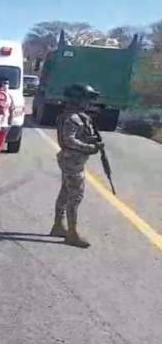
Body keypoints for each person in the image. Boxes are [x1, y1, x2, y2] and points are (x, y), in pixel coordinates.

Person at [51, 83, 102, 248]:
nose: (89, 103)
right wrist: (89, 147)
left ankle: (58, 226)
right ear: (77, 100)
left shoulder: (79, 116)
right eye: (86, 99)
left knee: (66, 192)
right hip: (71, 161)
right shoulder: (72, 118)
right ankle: (72, 234)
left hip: (74, 160)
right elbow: (69, 140)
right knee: (75, 196)